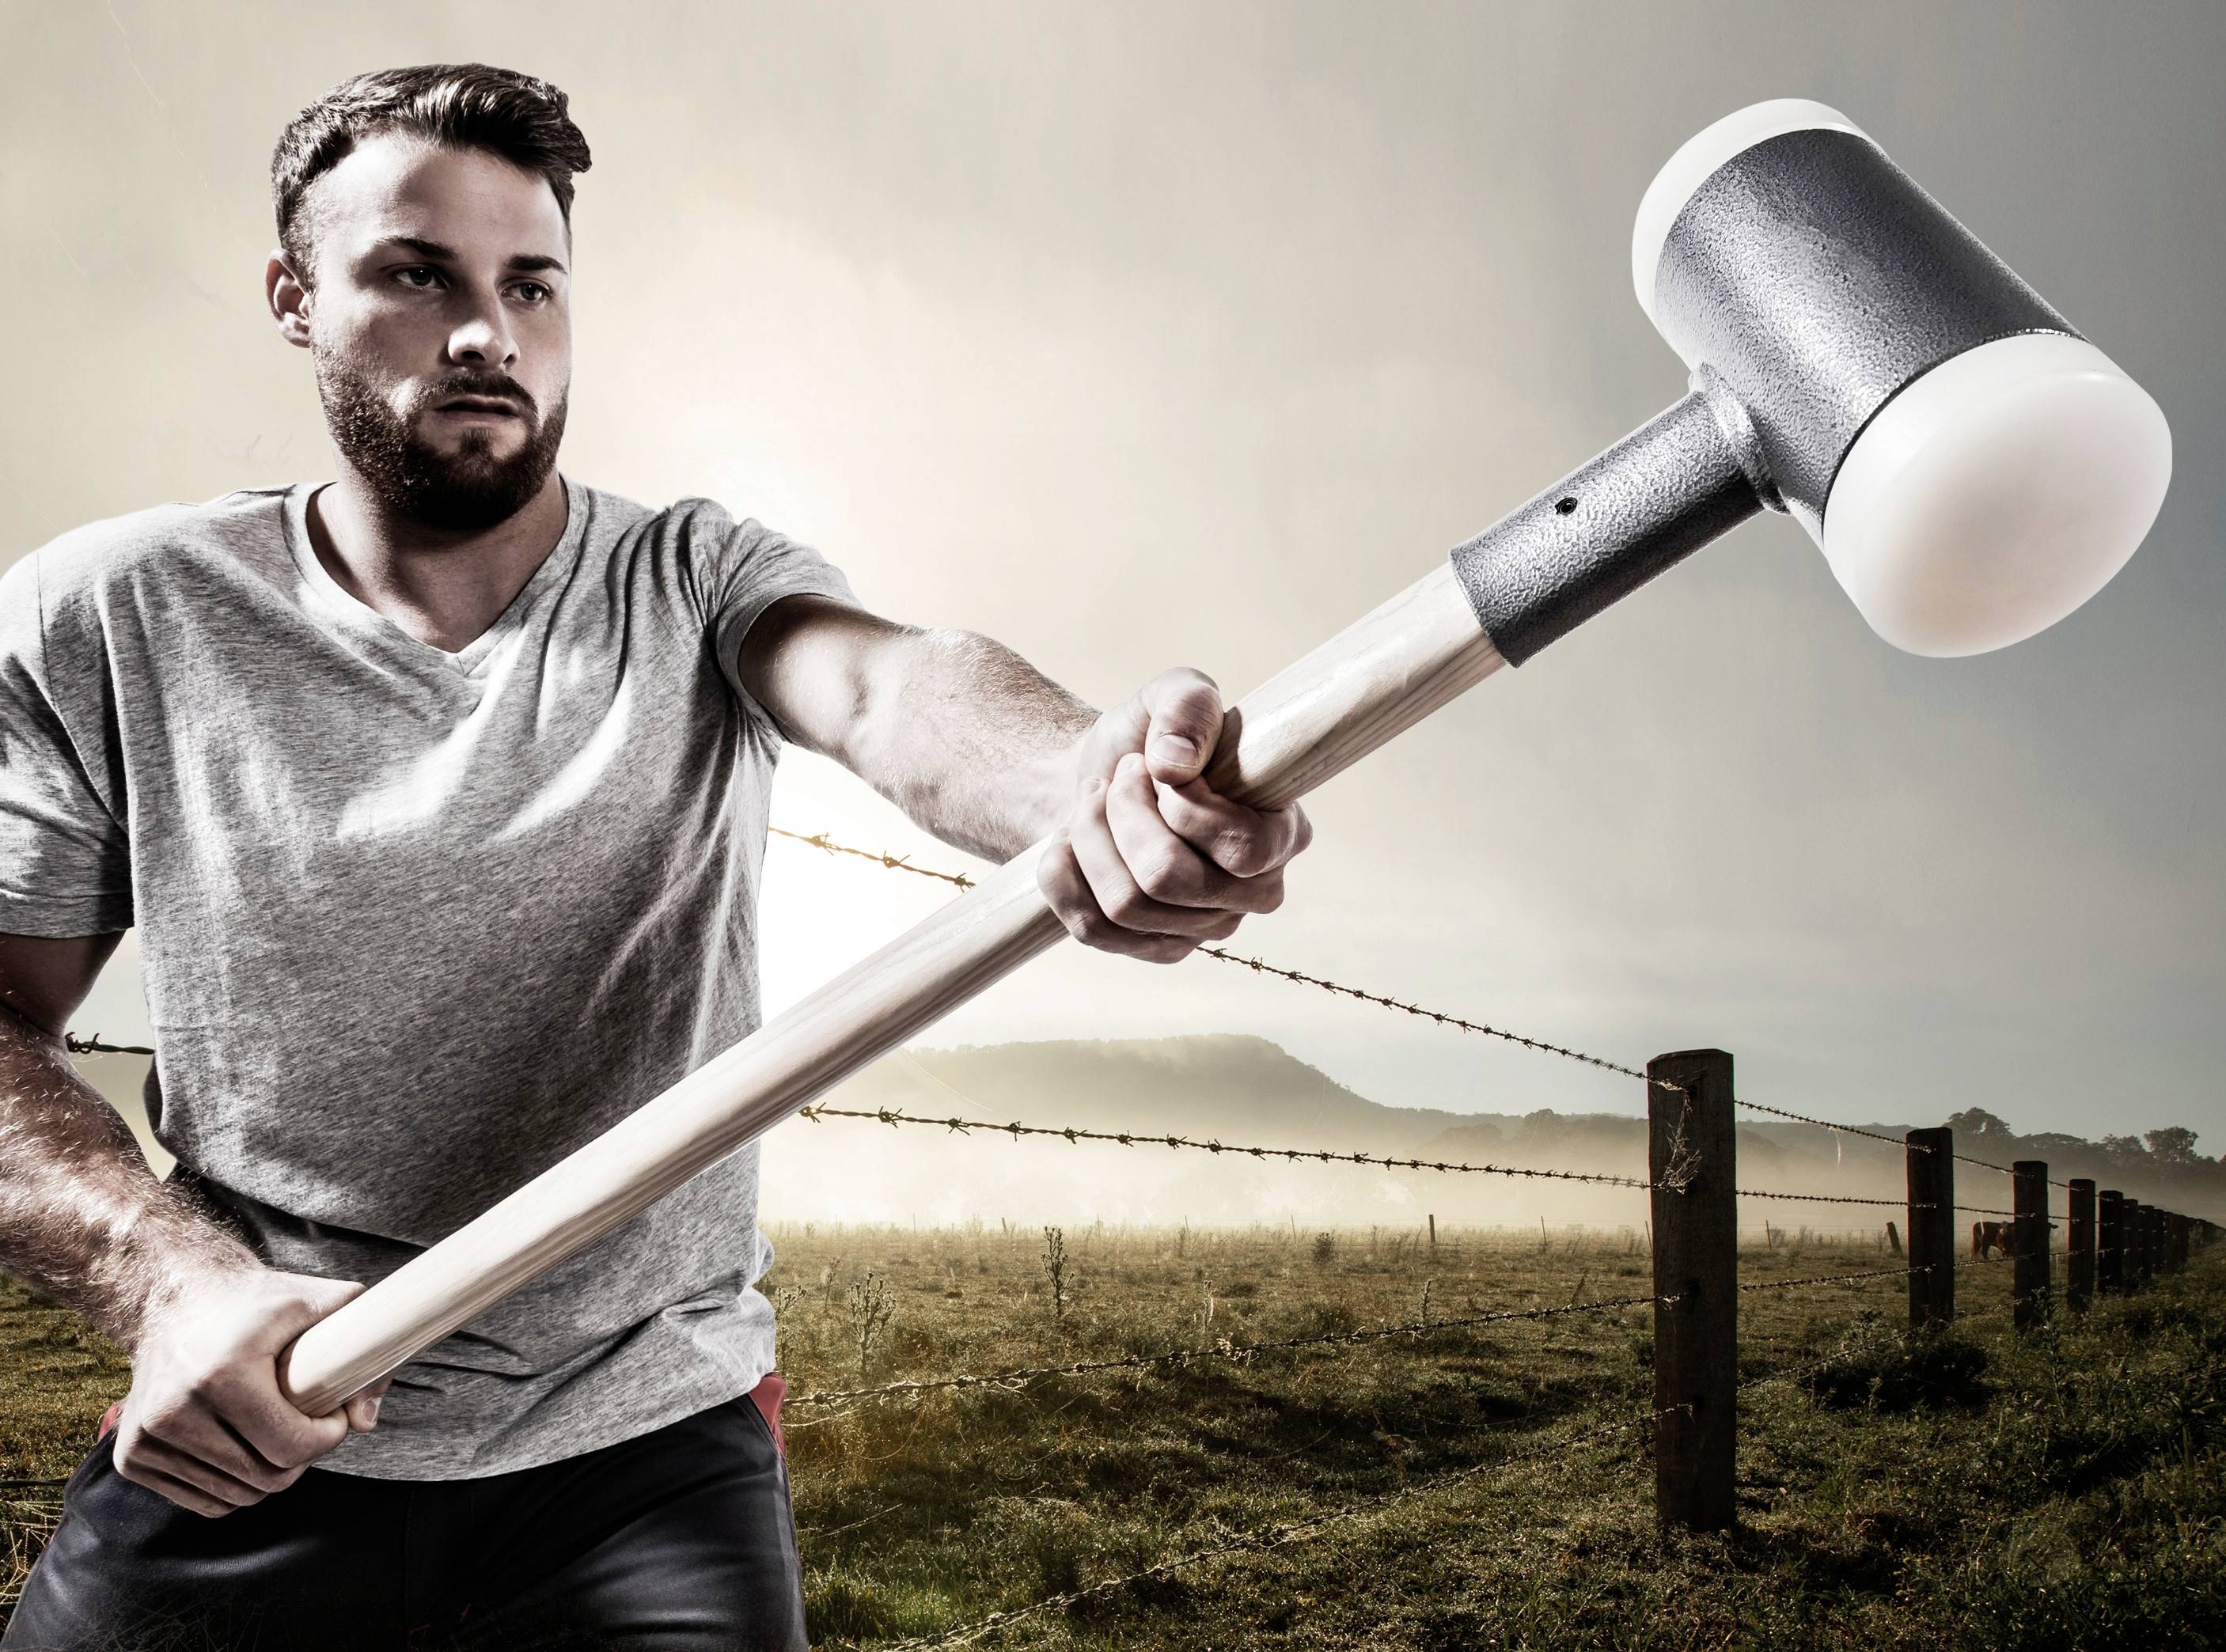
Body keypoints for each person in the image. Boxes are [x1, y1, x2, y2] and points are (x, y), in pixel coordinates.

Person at [0, 63, 1310, 1650]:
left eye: (531, 285)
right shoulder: (113, 613)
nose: (486, 334)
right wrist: (164, 1280)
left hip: (643, 1455)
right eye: (418, 275)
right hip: (264, 1418)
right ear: (294, 297)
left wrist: (1082, 778)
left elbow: (890, 687)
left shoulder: (692, 581)